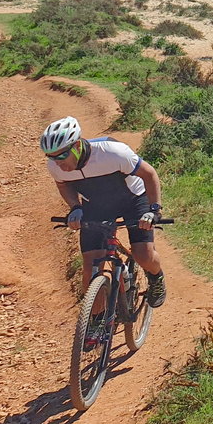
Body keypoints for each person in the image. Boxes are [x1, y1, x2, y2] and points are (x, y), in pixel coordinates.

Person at [41, 117, 168, 343]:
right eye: (51, 157)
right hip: (96, 206)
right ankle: (98, 320)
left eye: (62, 155)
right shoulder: (55, 167)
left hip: (133, 199)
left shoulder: (112, 153)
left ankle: (156, 277)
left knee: (143, 254)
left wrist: (154, 210)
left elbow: (150, 174)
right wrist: (75, 208)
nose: (57, 162)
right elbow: (63, 185)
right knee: (90, 268)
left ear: (77, 145)